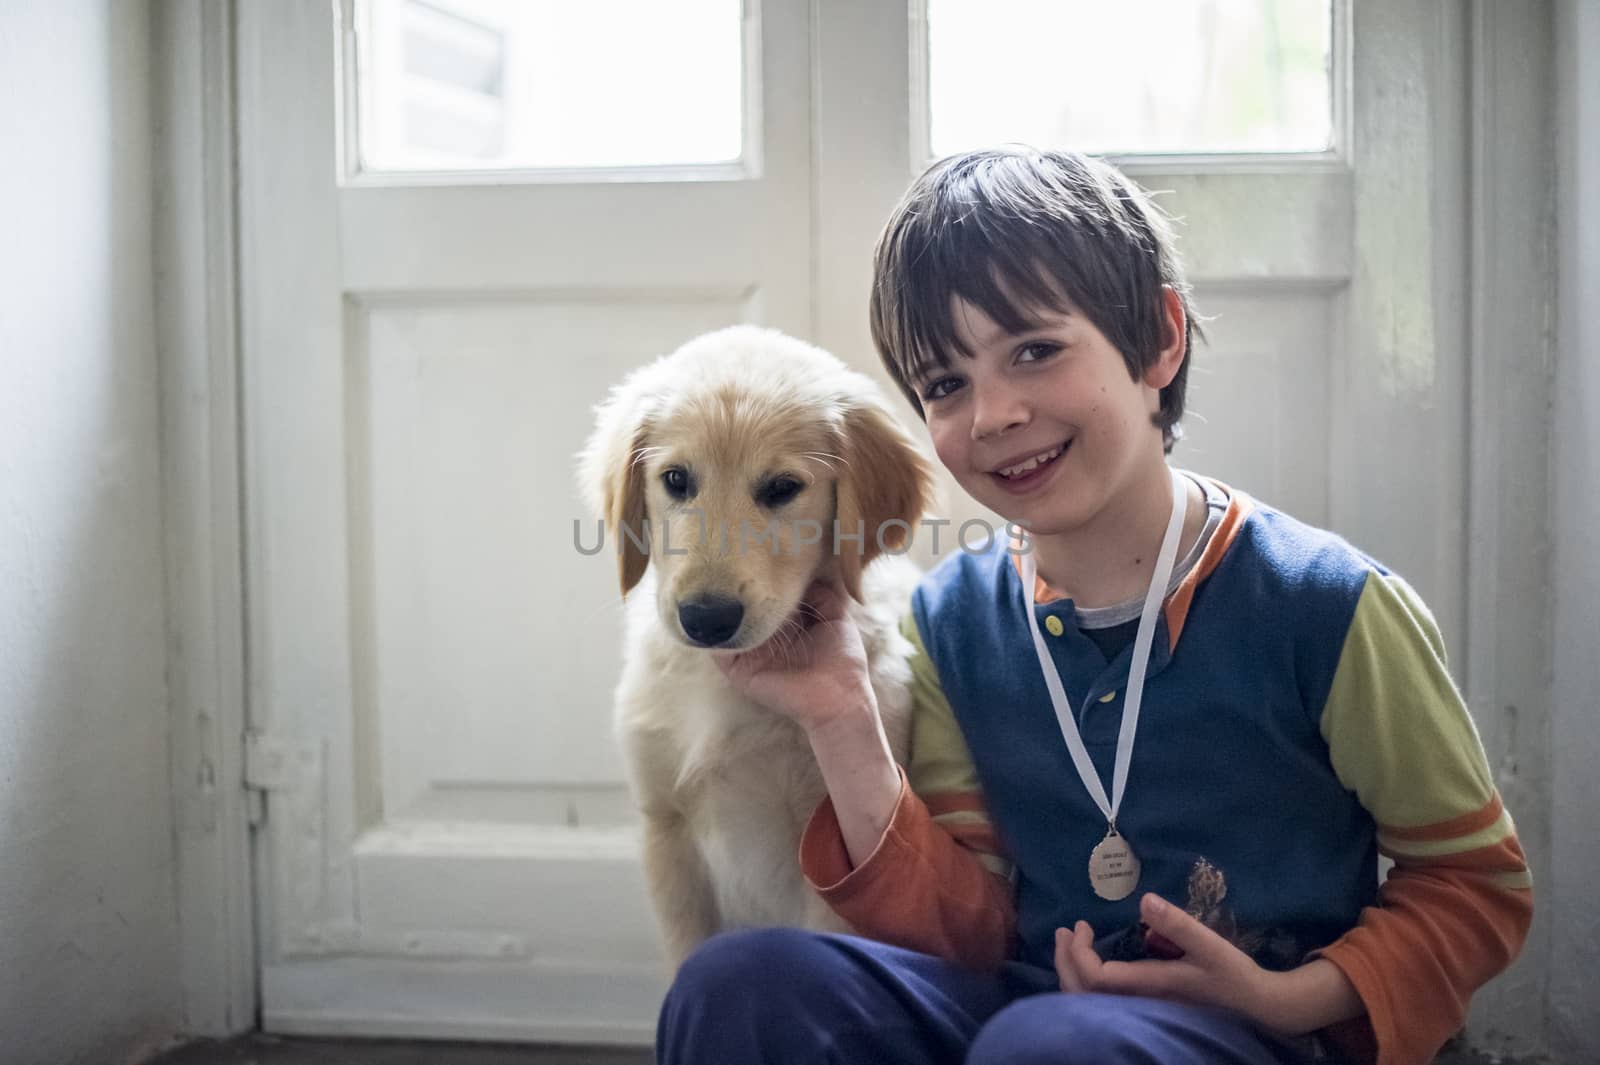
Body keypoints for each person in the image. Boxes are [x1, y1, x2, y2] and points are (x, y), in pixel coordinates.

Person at [657, 148, 1532, 1065]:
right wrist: (842, 718)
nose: (992, 413)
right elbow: (965, 929)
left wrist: (1285, 997)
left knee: (1050, 1047)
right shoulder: (951, 620)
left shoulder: (1329, 606)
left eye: (1034, 351)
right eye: (946, 384)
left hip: (1266, 1032)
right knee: (739, 985)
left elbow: (1477, 885)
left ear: (1160, 336)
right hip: (1022, 1006)